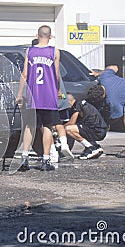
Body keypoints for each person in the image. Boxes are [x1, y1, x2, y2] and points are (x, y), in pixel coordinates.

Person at [16, 25, 61, 171]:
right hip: (48, 96)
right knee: (47, 127)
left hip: (33, 95)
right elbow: (56, 75)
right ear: (51, 36)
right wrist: (58, 90)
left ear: (37, 35)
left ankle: (24, 157)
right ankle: (45, 160)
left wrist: (19, 94)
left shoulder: (29, 51)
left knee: (29, 126)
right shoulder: (54, 52)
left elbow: (25, 74)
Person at [65, 93, 107, 159]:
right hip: (100, 129)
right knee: (77, 129)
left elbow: (71, 123)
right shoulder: (82, 103)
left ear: (68, 102)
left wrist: (59, 128)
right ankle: (95, 146)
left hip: (96, 130)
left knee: (68, 129)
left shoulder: (77, 106)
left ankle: (90, 148)